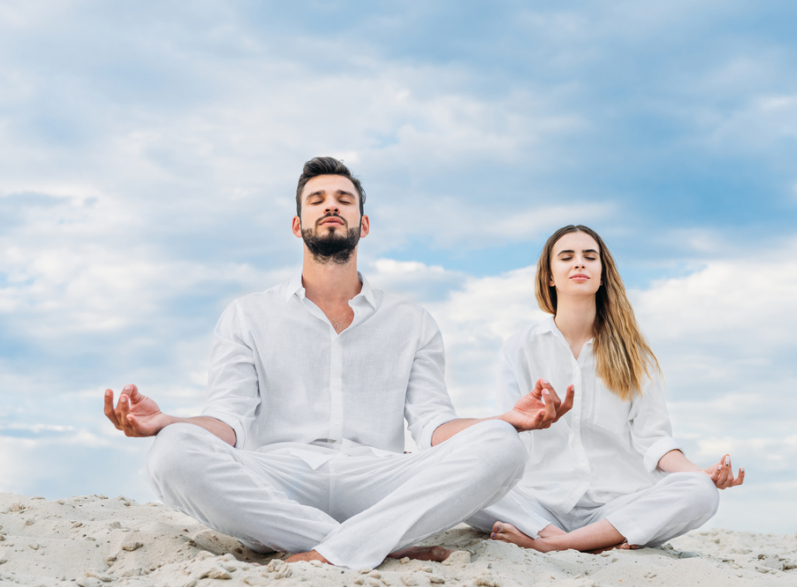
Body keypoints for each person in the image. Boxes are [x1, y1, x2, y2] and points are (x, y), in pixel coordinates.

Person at [102, 157, 575, 570]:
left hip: (378, 478)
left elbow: (433, 425)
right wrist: (166, 421)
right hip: (280, 476)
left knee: (502, 446)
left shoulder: (413, 321)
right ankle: (367, 544)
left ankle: (341, 543)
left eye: (345, 200)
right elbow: (229, 419)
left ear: (363, 225)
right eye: (318, 199)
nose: (332, 205)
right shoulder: (247, 315)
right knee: (171, 450)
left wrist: (507, 420)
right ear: (297, 224)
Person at [468, 224, 744, 553]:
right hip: (538, 504)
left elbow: (655, 441)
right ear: (550, 277)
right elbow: (507, 435)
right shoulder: (519, 348)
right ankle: (579, 541)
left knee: (700, 492)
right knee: (461, 478)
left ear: (602, 275)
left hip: (615, 508)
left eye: (590, 257)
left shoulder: (633, 354)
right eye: (567, 257)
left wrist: (701, 474)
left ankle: (556, 545)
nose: (579, 263)